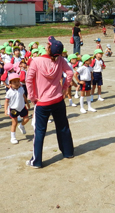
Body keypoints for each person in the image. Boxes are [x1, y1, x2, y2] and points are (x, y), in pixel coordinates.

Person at [25, 36, 74, 168]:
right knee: (63, 127)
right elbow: (70, 73)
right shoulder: (60, 60)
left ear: (48, 48)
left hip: (42, 102)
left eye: (48, 43)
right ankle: (68, 152)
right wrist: (64, 89)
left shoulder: (36, 61)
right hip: (57, 100)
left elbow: (28, 80)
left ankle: (37, 161)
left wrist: (32, 97)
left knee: (40, 132)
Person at [5, 73, 31, 144]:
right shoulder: (9, 92)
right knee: (14, 123)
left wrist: (27, 103)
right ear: (10, 83)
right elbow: (6, 101)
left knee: (27, 119)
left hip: (22, 107)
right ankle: (13, 137)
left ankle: (21, 126)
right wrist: (6, 110)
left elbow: (24, 96)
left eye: (17, 81)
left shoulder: (21, 89)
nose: (16, 83)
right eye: (14, 82)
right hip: (13, 109)